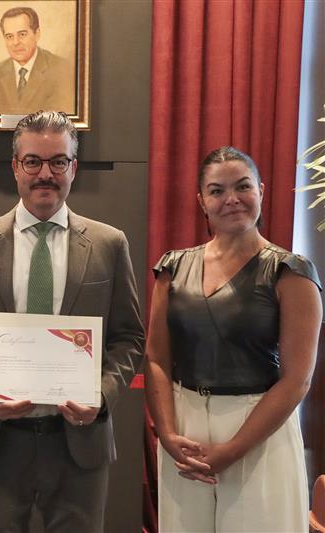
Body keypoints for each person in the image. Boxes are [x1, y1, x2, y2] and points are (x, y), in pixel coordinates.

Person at [0, 110, 144, 532]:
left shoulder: (109, 244)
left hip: (79, 443)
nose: (45, 174)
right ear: (15, 166)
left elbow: (129, 337)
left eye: (58, 162)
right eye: (33, 161)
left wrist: (101, 396)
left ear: (74, 168)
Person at [145, 146, 322, 532]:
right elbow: (156, 358)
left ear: (261, 190)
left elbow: (297, 380)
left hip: (259, 428)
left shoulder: (291, 272)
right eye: (217, 190)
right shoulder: (172, 267)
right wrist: (168, 435)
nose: (232, 199)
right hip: (185, 428)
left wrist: (232, 450)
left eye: (243, 186)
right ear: (201, 201)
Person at [0, 7, 74, 116]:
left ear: (37, 34)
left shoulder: (61, 70)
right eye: (9, 36)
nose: (15, 42)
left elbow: (61, 121)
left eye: (22, 34)